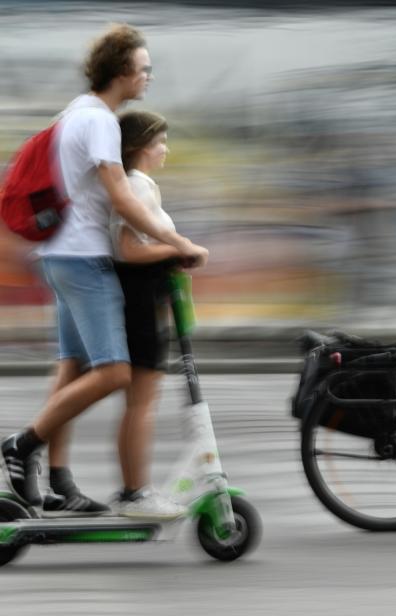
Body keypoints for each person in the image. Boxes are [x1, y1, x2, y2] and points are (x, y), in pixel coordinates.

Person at [0, 24, 208, 513]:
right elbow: (120, 197)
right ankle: (22, 445)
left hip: (59, 255)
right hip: (82, 259)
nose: (148, 77)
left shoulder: (77, 112)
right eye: (144, 68)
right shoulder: (100, 122)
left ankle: (58, 483)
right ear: (121, 71)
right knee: (114, 373)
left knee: (72, 369)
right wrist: (177, 241)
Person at [110, 110, 202, 517]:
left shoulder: (134, 185)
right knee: (142, 402)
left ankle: (134, 490)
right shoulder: (137, 186)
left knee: (139, 402)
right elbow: (128, 250)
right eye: (160, 142)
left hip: (143, 298)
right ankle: (135, 493)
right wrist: (178, 250)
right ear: (142, 147)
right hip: (142, 300)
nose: (165, 149)